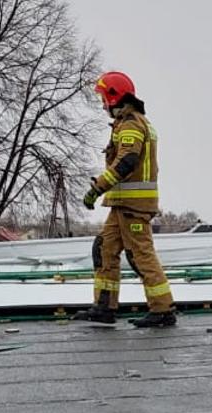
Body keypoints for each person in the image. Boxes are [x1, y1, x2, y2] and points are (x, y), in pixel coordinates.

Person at [74, 71, 177, 327]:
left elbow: (127, 161)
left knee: (141, 255)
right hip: (122, 205)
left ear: (114, 97)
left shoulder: (131, 124)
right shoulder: (131, 122)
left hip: (133, 206)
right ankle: (104, 307)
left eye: (103, 98)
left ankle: (163, 310)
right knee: (104, 249)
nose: (102, 104)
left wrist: (97, 188)